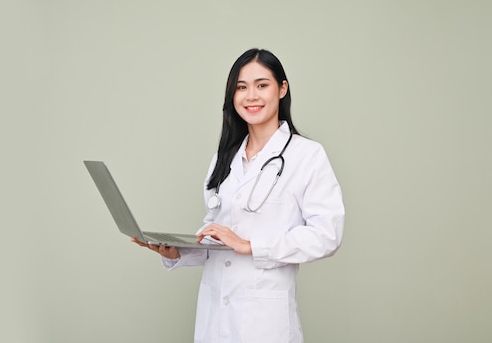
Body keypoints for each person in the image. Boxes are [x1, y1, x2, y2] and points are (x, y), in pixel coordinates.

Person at [132, 48, 345, 343]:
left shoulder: (306, 155)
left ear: (282, 89)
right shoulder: (225, 156)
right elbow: (216, 229)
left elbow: (327, 235)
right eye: (241, 87)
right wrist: (179, 251)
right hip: (215, 313)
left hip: (264, 322)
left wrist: (251, 245)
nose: (251, 96)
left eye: (262, 85)